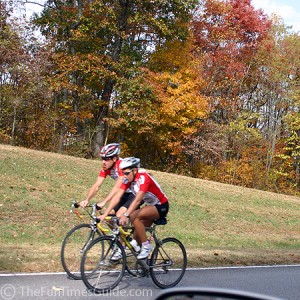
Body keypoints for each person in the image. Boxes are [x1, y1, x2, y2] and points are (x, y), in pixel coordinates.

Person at [98, 157, 169, 260]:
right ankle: (143, 264)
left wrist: (125, 215)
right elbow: (117, 197)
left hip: (161, 205)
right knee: (137, 235)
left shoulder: (143, 178)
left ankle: (146, 246)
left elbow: (137, 200)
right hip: (150, 206)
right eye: (123, 173)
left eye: (126, 173)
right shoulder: (128, 180)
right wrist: (105, 214)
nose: (124, 176)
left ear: (134, 170)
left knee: (133, 216)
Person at [79, 143, 135, 218]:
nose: (103, 162)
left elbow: (117, 187)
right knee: (109, 216)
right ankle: (117, 230)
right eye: (102, 159)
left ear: (114, 159)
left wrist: (104, 202)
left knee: (119, 214)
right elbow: (97, 185)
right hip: (124, 193)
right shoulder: (106, 168)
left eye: (106, 159)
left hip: (135, 193)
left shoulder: (123, 166)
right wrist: (87, 200)